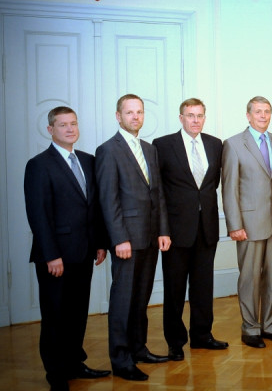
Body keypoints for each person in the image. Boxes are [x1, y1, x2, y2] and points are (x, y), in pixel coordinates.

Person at [24, 107, 110, 391]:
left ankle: (74, 363)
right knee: (55, 316)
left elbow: (94, 207)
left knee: (77, 313)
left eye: (73, 123)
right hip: (56, 256)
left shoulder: (87, 160)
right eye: (63, 125)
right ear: (51, 130)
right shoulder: (39, 165)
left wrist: (100, 243)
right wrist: (51, 255)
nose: (70, 129)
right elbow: (38, 214)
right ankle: (56, 373)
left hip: (84, 251)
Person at [95, 94, 172, 381]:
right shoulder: (108, 150)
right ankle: (121, 359)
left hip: (150, 238)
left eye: (139, 112)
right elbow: (108, 199)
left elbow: (158, 194)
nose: (135, 117)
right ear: (119, 116)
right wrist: (119, 238)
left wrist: (163, 230)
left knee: (141, 298)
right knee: (123, 301)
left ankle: (139, 349)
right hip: (126, 240)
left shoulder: (149, 149)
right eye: (129, 112)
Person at [153, 98, 228, 361]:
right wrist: (162, 229)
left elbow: (211, 185)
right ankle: (175, 342)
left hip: (206, 228)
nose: (195, 120)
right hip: (175, 231)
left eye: (200, 115)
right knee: (174, 290)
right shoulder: (163, 145)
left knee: (203, 286)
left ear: (204, 118)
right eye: (190, 115)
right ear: (181, 118)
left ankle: (202, 335)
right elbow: (158, 191)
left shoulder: (215, 144)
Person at [221, 96, 272, 349]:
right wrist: (234, 225)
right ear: (248, 115)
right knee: (250, 278)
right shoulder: (234, 144)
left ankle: (269, 325)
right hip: (248, 225)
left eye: (267, 111)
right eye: (258, 111)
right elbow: (229, 189)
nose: (263, 116)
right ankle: (250, 328)